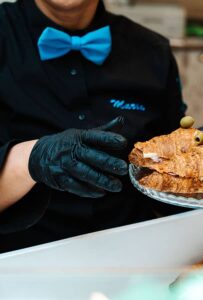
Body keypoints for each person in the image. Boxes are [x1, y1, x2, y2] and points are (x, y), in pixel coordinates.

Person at [0, 0, 190, 253]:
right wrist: (31, 159)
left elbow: (172, 180)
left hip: (133, 257)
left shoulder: (152, 51)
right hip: (17, 262)